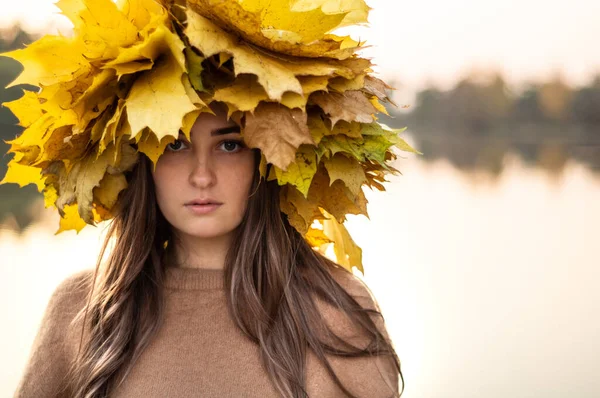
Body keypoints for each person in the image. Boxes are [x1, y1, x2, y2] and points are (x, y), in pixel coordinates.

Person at [3, 0, 414, 396]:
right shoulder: (83, 311)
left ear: (268, 161)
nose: (202, 175)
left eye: (230, 145)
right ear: (141, 163)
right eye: (175, 146)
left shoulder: (335, 311)